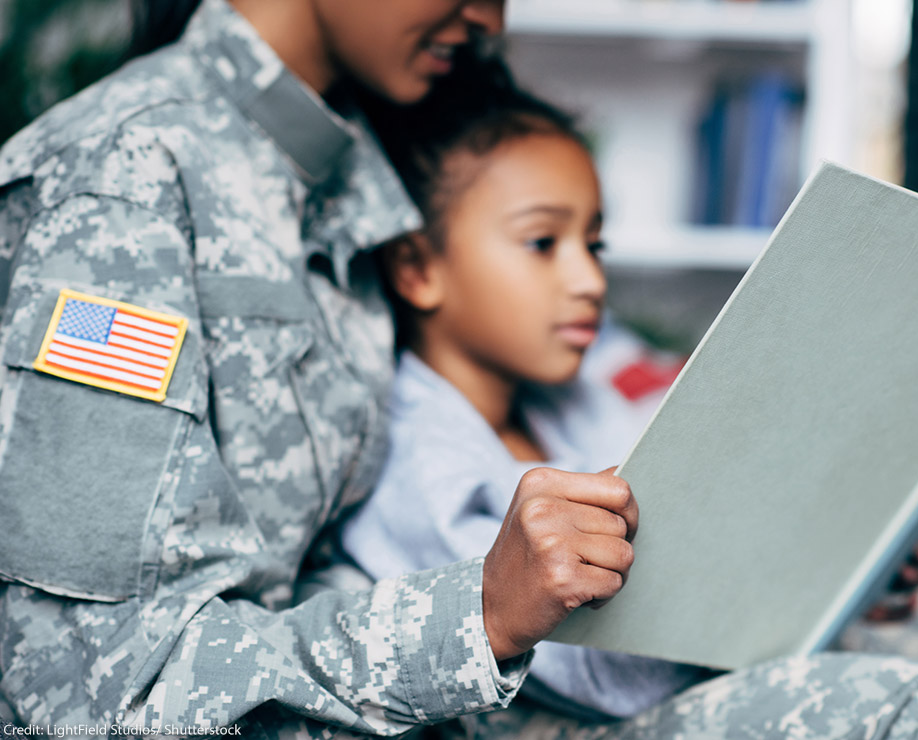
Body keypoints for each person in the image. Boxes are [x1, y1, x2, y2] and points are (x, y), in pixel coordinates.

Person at [0, 0, 641, 735]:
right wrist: (479, 613)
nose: (490, 20)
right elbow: (94, 685)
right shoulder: (120, 181)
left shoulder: (344, 172)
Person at [338, 50, 918, 739]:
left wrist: (841, 574)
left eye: (594, 246)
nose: (589, 280)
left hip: (692, 682)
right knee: (908, 699)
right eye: (543, 242)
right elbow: (599, 673)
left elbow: (698, 555)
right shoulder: (415, 461)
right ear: (417, 268)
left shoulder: (576, 407)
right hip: (591, 720)